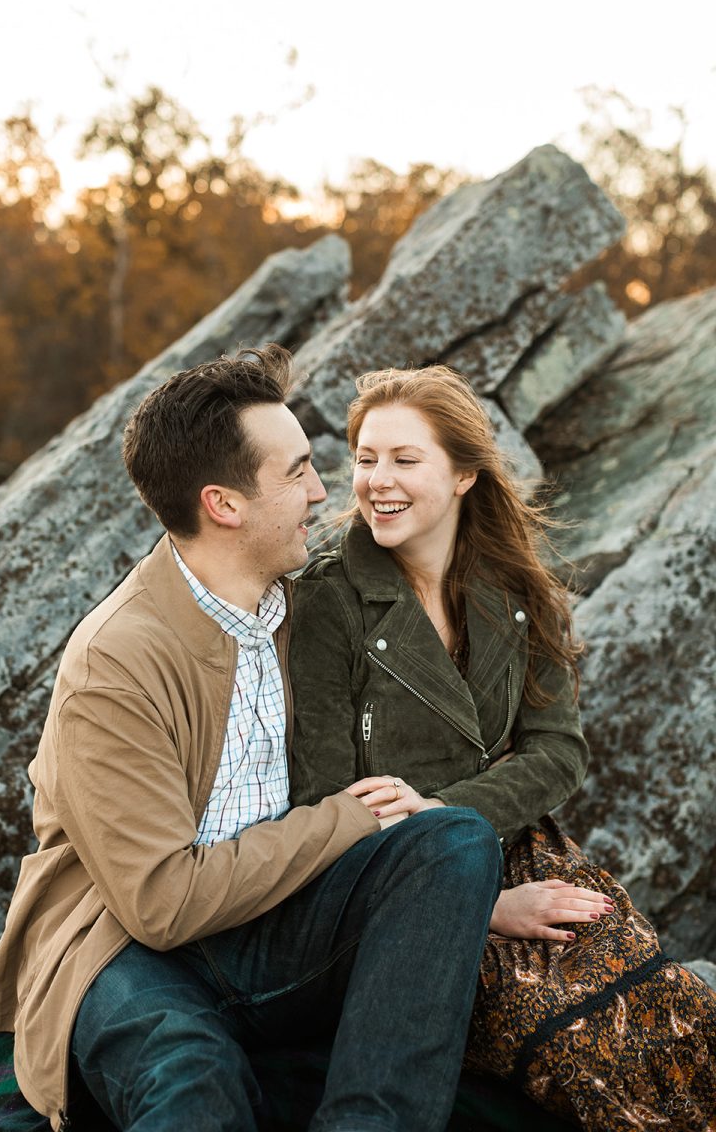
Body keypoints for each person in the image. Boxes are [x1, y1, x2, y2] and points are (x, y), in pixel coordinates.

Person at [0, 346, 504, 1132]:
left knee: (454, 842)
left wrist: (482, 895)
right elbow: (161, 903)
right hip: (126, 946)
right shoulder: (117, 661)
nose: (325, 492)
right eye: (295, 473)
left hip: (273, 923)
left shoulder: (301, 610)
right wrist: (345, 820)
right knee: (193, 1079)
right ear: (224, 504)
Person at [289, 364, 716, 1131]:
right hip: (392, 887)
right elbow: (323, 800)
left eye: (403, 460)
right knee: (575, 1041)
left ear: (463, 475)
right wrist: (474, 897)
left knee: (669, 1008)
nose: (376, 480)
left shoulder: (519, 587)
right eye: (364, 458)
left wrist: (449, 813)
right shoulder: (328, 602)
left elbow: (558, 751)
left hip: (526, 849)